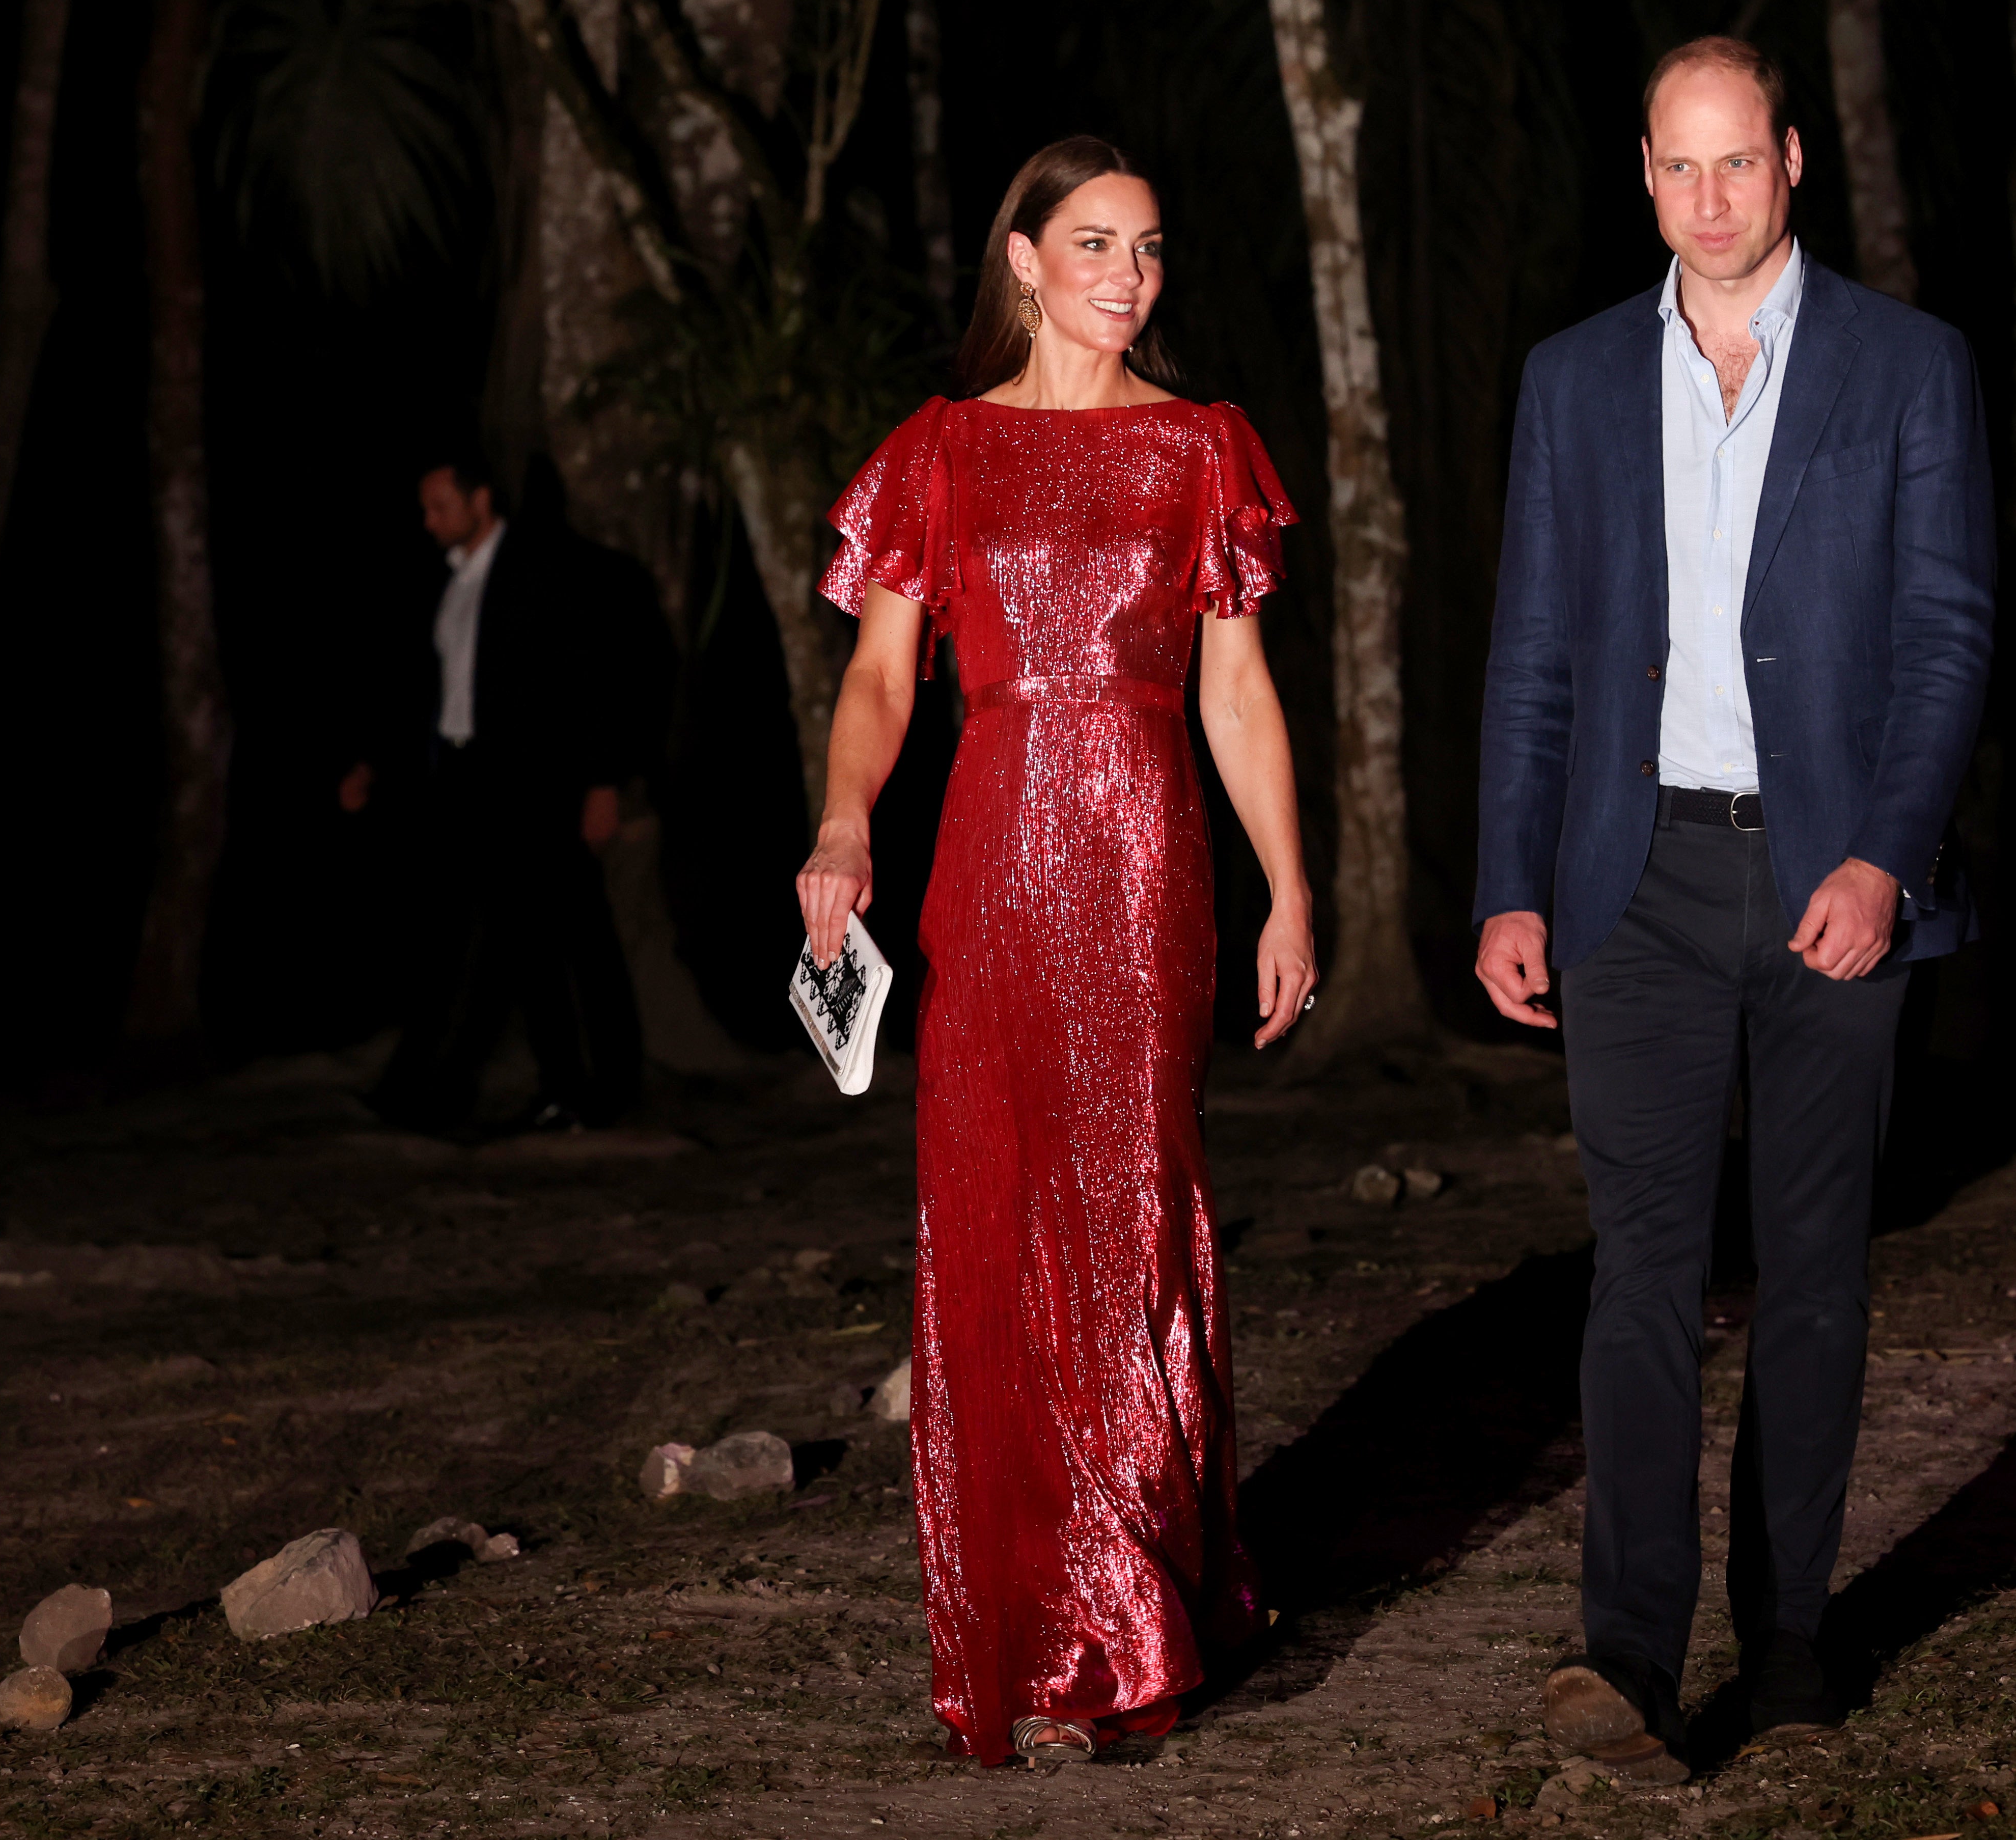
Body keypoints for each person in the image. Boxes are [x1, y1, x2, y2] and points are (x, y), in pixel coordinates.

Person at [1473, 37, 1995, 1772]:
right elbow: (1534, 656)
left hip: (1830, 880)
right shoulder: (1572, 381)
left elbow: (1946, 640)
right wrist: (1508, 886)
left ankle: (1788, 1642)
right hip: (1633, 884)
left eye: (1737, 166)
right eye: (1677, 170)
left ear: (1789, 163)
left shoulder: (1908, 369)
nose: (1709, 200)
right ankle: (1624, 1656)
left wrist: (1886, 856)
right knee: (1639, 1277)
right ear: (1646, 173)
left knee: (1818, 1275)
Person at [795, 136, 1317, 1769]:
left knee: (1130, 1209)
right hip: (993, 859)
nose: (1130, 275)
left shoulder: (1198, 446)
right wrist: (840, 824)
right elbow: (883, 683)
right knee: (996, 1215)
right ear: (1023, 260)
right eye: (1095, 244)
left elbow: (1234, 692)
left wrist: (1290, 888)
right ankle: (1026, 1613)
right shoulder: (938, 456)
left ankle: (1136, 1618)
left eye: (1150, 247)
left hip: (1146, 859)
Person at [347, 448, 669, 1134]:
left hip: (541, 783)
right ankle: (442, 1089)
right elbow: (432, 689)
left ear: (481, 500)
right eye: (425, 509)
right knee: (483, 938)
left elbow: (589, 677)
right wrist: (379, 764)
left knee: (573, 934)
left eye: (440, 507)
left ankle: (599, 1090)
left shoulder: (539, 569)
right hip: (469, 781)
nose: (429, 522)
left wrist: (602, 780)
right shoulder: (451, 582)